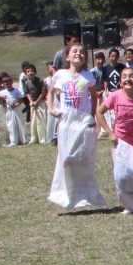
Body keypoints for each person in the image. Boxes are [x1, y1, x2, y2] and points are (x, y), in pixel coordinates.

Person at [47, 44, 105, 209]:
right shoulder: (60, 75)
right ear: (67, 57)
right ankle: (65, 195)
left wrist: (92, 114)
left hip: (83, 122)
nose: (78, 54)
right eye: (75, 51)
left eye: (82, 52)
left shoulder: (88, 76)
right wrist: (52, 109)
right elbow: (50, 92)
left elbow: (94, 96)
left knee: (84, 159)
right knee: (66, 159)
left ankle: (86, 196)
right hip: (66, 122)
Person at [97, 67, 133, 215]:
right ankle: (128, 205)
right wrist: (110, 133)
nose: (127, 79)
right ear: (121, 81)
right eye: (124, 77)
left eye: (131, 76)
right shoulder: (115, 96)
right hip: (120, 140)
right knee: (121, 176)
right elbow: (99, 112)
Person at [0, 75, 28, 147]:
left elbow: (21, 99)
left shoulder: (16, 90)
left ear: (11, 82)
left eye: (8, 82)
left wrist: (16, 104)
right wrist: (2, 97)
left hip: (17, 110)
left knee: (20, 124)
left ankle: (23, 140)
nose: (7, 84)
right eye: (5, 82)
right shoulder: (3, 92)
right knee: (11, 126)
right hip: (9, 111)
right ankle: (13, 141)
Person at [21, 64, 48, 145]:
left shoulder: (40, 81)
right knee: (33, 121)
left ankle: (42, 138)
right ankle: (33, 138)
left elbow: (43, 93)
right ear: (26, 73)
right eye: (28, 72)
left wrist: (37, 102)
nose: (30, 73)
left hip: (40, 103)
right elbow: (27, 93)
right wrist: (31, 102)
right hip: (32, 104)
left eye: (32, 71)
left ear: (35, 72)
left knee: (41, 121)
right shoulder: (26, 82)